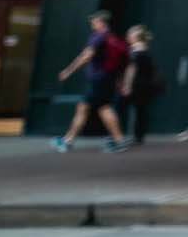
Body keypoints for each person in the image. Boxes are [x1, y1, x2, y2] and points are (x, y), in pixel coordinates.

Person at [52, 11, 130, 153]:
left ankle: (68, 141)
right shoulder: (112, 39)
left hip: (98, 80)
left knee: (87, 108)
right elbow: (120, 64)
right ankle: (119, 140)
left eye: (93, 21)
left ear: (101, 22)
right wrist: (119, 82)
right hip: (107, 80)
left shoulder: (98, 37)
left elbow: (85, 56)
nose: (92, 24)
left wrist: (68, 71)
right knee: (102, 108)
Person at [118, 25, 158, 145]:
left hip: (135, 84)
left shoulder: (135, 51)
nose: (128, 36)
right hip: (145, 84)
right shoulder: (146, 49)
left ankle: (117, 135)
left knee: (120, 107)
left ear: (136, 37)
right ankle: (138, 136)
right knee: (141, 110)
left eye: (131, 34)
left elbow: (132, 69)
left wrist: (127, 85)